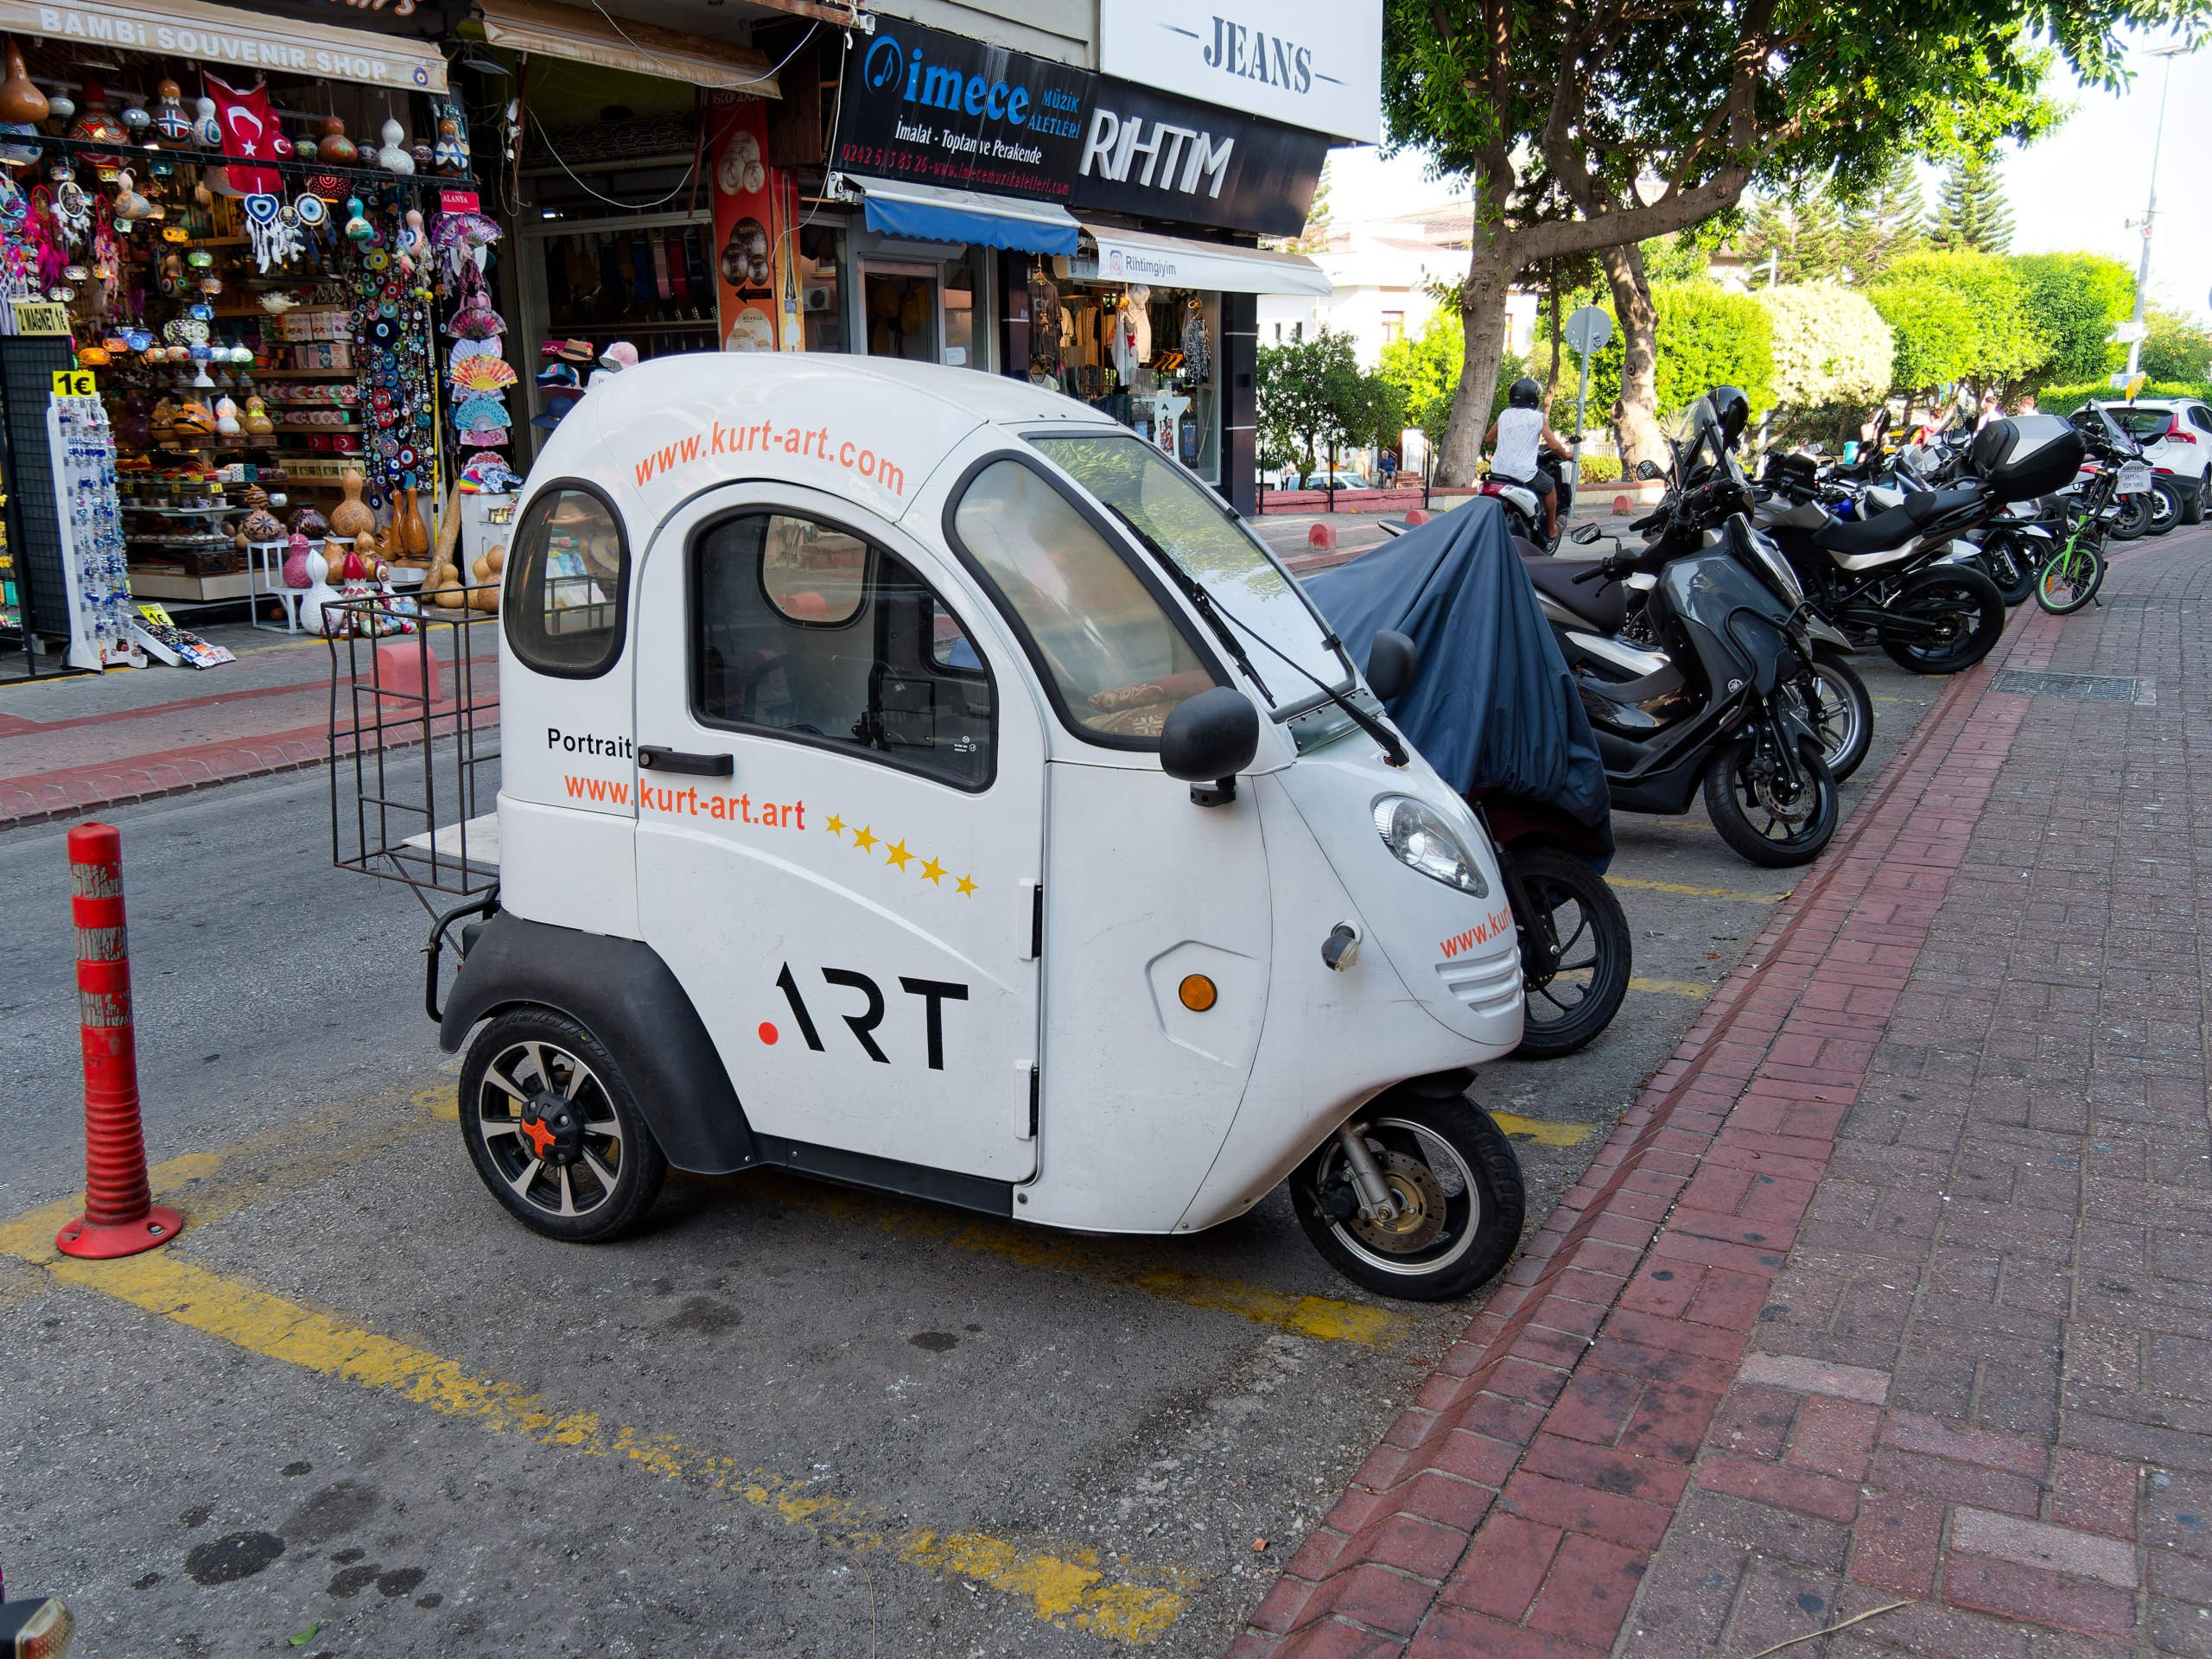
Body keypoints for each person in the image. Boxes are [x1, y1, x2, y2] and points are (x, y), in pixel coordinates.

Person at [1484, 378, 1573, 542]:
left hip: (1497, 472)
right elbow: (1553, 445)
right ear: (1533, 397)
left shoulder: (1505, 415)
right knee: (1550, 487)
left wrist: (1504, 445)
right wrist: (1565, 455)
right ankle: (1552, 529)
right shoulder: (1537, 417)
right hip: (1523, 473)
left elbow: (1489, 439)